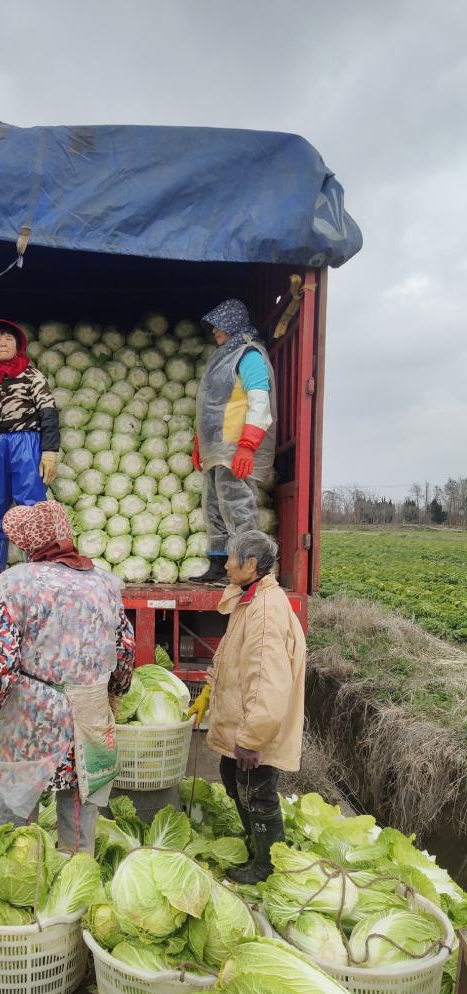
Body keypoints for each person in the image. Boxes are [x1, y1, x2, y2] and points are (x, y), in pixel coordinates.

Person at [0, 500, 136, 854]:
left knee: (15, 807)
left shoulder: (18, 584)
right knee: (80, 802)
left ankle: (13, 880)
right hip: (90, 711)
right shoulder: (103, 583)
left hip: (35, 715)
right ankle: (74, 887)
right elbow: (126, 649)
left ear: (30, 543)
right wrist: (115, 693)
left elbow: (0, 663)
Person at [202, 530, 306, 883]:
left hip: (255, 728)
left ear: (249, 564)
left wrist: (251, 738)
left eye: (230, 558)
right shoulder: (249, 598)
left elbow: (266, 682)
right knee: (233, 776)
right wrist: (208, 690)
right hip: (243, 720)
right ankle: (256, 844)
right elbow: (232, 655)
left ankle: (266, 864)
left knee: (257, 790)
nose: (225, 565)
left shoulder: (264, 611)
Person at [0, 319, 60, 582]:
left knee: (31, 501)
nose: (3, 343)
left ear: (17, 345)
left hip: (25, 443)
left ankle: (39, 565)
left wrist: (50, 451)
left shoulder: (32, 376)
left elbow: (48, 414)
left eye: (8, 338)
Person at [192, 298, 276, 583]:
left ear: (233, 324)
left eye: (219, 324)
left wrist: (247, 445)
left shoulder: (249, 356)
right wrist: (200, 444)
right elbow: (210, 405)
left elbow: (259, 402)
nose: (214, 330)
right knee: (214, 507)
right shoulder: (221, 357)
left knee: (239, 508)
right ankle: (219, 566)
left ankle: (246, 572)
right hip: (217, 449)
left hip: (236, 447)